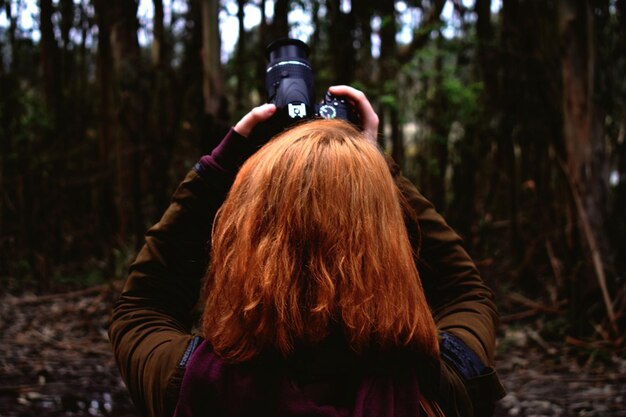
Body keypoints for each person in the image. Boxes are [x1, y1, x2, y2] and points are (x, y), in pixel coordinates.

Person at [109, 86, 505, 417]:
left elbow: (143, 308)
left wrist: (217, 169)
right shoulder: (435, 387)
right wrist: (377, 171)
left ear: (242, 240)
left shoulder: (194, 384)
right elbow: (464, 291)